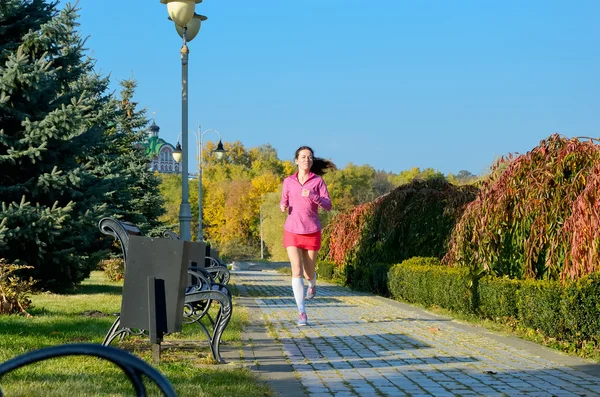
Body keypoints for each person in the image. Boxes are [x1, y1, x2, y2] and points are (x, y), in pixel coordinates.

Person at [280, 146, 335, 326]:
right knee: (296, 270)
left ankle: (312, 284)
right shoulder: (288, 181)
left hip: (311, 231)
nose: (306, 160)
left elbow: (328, 205)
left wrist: (313, 196)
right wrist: (282, 205)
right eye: (303, 157)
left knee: (308, 272)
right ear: (296, 160)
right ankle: (301, 312)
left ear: (312, 161)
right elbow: (285, 199)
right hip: (292, 230)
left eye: (309, 157)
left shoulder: (317, 182)